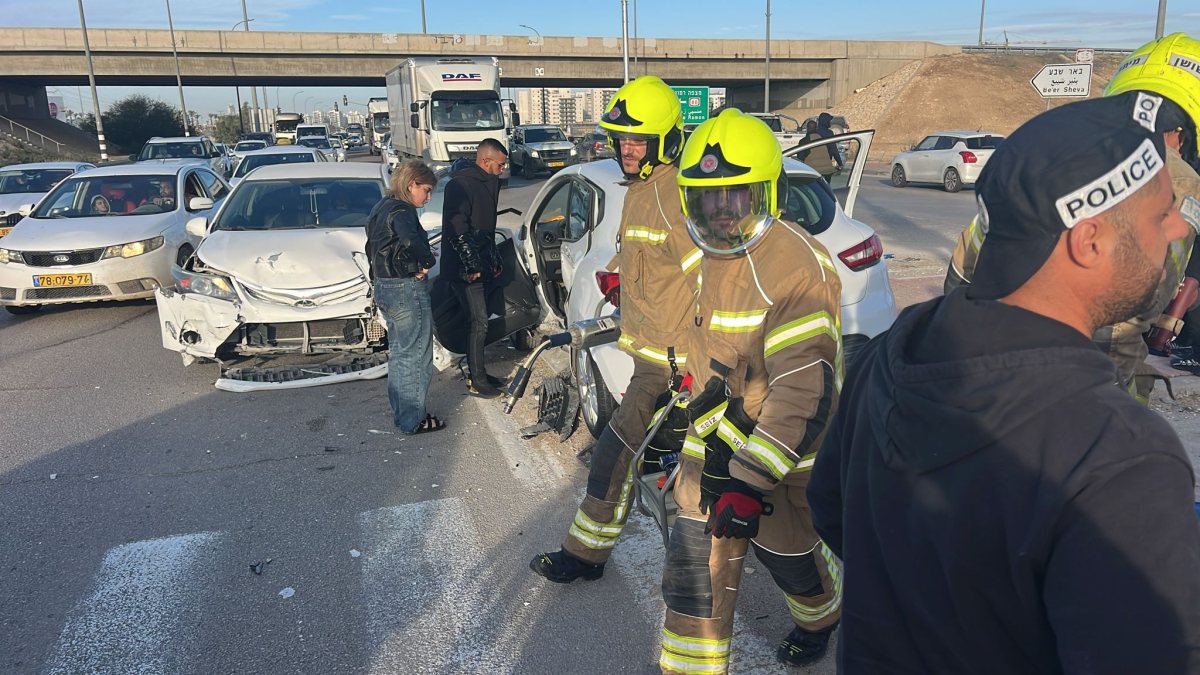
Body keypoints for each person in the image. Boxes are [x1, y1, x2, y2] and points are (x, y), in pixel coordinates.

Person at [808, 92, 1200, 674]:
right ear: (1089, 240)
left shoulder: (896, 350)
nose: (1175, 230)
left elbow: (832, 511)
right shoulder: (1120, 458)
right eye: (1161, 212)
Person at [658, 109, 844, 673]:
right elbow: (703, 342)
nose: (720, 213)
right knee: (694, 578)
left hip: (777, 461)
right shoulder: (708, 255)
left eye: (735, 197)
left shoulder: (794, 268)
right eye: (706, 200)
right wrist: (680, 400)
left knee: (790, 559)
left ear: (767, 194)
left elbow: (801, 391)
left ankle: (822, 617)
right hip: (708, 447)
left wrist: (750, 481)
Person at [944, 33, 1200, 404]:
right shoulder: (1177, 177)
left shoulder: (1063, 146)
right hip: (1098, 344)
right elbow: (1149, 295)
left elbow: (970, 254)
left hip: (993, 328)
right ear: (1182, 130)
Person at [529, 76, 700, 582]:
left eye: (637, 140)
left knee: (705, 482)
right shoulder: (641, 191)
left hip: (686, 366)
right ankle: (586, 556)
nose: (627, 149)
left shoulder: (679, 196)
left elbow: (711, 287)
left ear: (665, 140)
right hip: (652, 358)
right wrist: (621, 284)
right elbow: (651, 265)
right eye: (621, 139)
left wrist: (702, 363)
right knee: (617, 457)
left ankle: (816, 610)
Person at [365, 159, 446, 435]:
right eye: (426, 189)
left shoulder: (381, 207)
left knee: (400, 352)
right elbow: (410, 240)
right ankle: (414, 419)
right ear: (412, 185)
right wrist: (423, 263)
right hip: (405, 289)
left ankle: (403, 414)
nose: (428, 196)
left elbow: (371, 247)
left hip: (385, 286)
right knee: (417, 355)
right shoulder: (402, 211)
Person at [441, 138, 509, 398]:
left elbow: (485, 229)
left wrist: (493, 258)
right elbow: (457, 227)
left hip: (482, 263)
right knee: (479, 322)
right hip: (465, 268)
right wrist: (471, 263)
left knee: (480, 321)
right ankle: (477, 382)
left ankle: (478, 372)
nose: (503, 169)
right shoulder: (460, 185)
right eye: (500, 164)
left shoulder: (489, 182)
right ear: (485, 161)